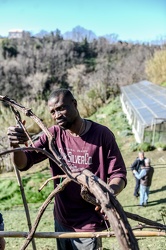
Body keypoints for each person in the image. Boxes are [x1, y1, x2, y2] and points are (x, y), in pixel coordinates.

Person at [7, 88, 127, 250]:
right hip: (62, 220)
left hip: (89, 223)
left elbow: (118, 174)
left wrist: (107, 195)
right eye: (53, 112)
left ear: (75, 104)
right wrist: (15, 144)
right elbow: (23, 163)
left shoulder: (101, 135)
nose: (57, 115)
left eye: (61, 108)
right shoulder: (53, 135)